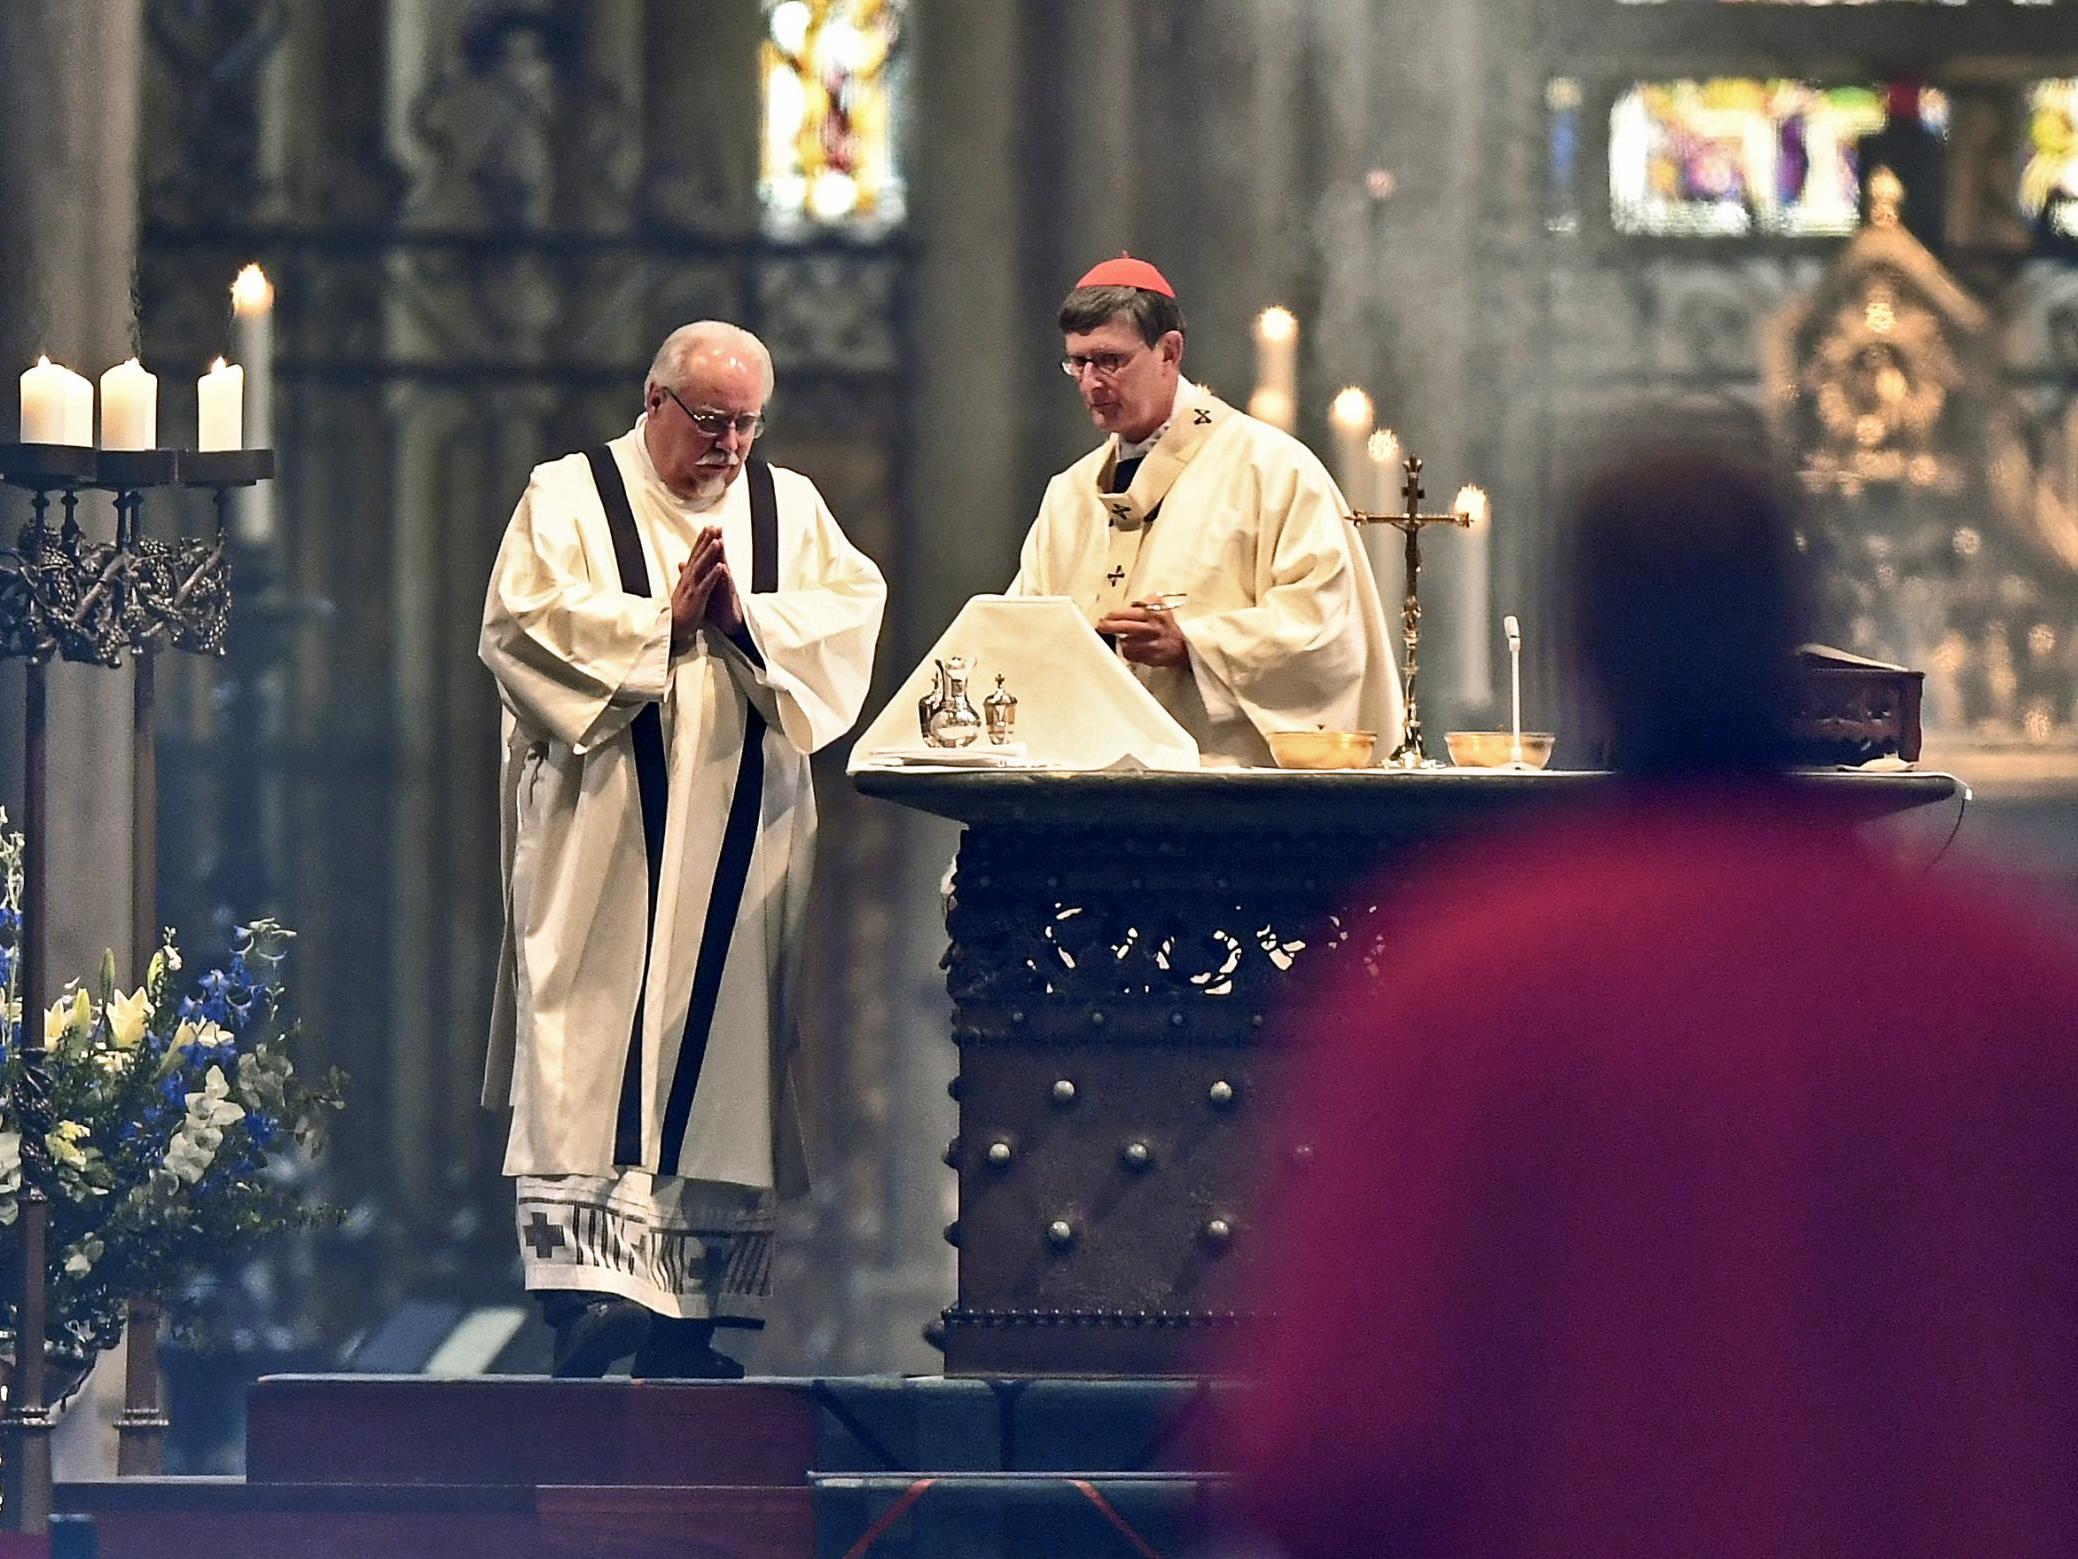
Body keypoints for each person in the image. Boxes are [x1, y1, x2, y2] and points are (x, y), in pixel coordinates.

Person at [1230, 437, 2078, 1557]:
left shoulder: (1463, 990)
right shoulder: (2014, 990)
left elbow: (1324, 1449)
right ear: (1791, 641)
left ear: (1584, 659)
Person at [480, 321, 886, 1378]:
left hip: (740, 839)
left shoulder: (786, 509)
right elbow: (518, 627)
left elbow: (851, 613)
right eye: (711, 421)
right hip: (599, 837)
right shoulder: (568, 497)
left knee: (720, 1053)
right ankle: (584, 1308)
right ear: (653, 398)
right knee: (591, 1041)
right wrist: (658, 624)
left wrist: (745, 620)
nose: (732, 446)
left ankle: (688, 1328)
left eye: (749, 423)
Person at [1007, 255, 1401, 766]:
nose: (1090, 382)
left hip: (1224, 794)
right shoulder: (1069, 494)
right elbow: (1021, 631)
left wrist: (1194, 644)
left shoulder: (1273, 469)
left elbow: (1324, 631)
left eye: (1110, 360)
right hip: (1088, 783)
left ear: (1169, 351)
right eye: (1077, 363)